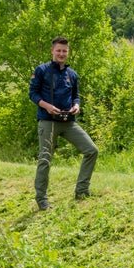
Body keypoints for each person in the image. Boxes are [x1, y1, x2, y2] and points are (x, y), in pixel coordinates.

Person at [29, 36, 98, 210]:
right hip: (47, 121)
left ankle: (81, 191)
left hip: (68, 121)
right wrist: (47, 106)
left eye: (64, 51)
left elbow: (76, 96)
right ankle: (42, 200)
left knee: (91, 150)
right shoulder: (41, 70)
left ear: (68, 52)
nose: (61, 53)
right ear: (52, 51)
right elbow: (33, 93)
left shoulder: (72, 74)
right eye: (58, 50)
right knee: (45, 159)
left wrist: (76, 105)